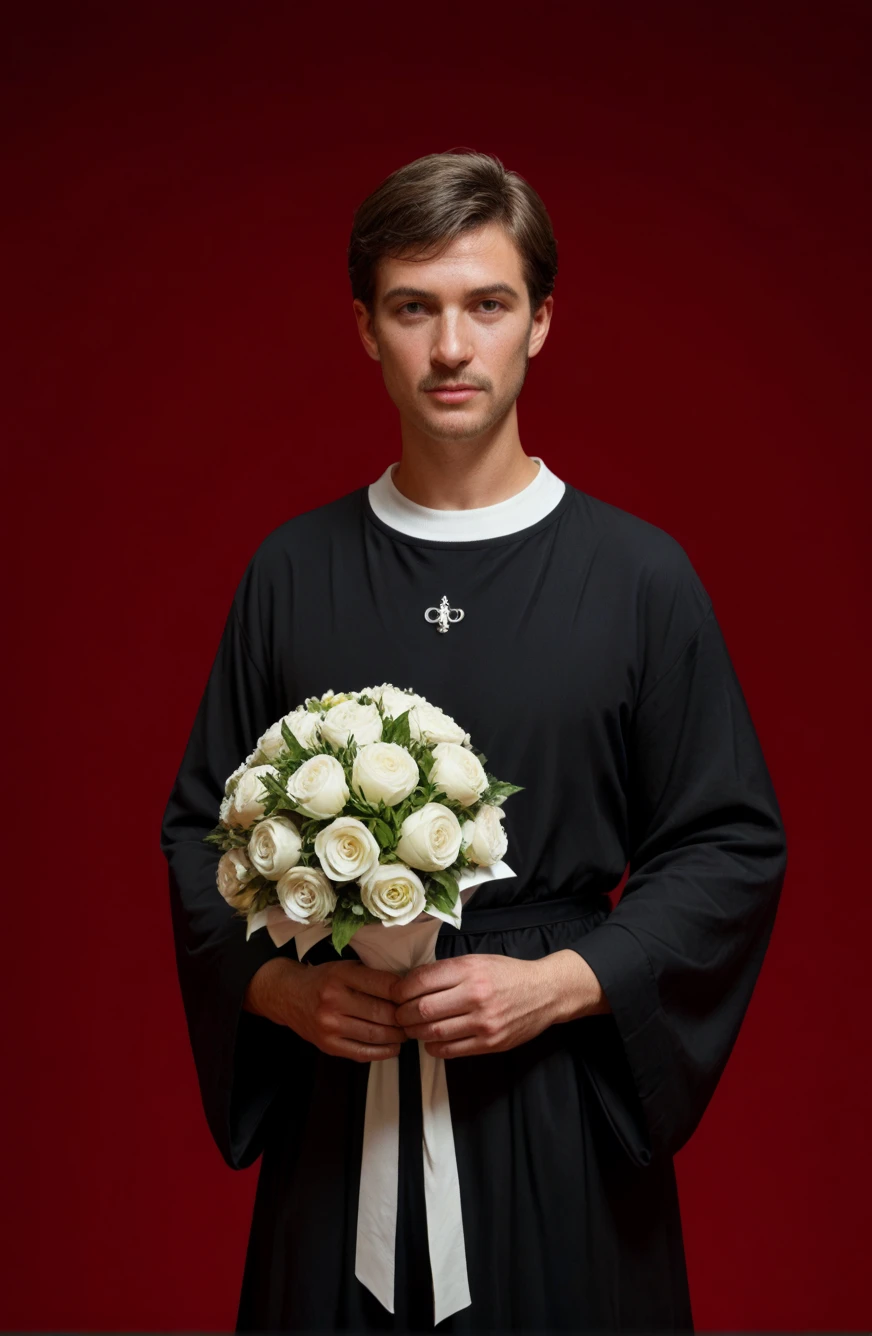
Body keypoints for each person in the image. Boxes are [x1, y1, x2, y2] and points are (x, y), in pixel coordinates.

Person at [160, 149, 787, 1334]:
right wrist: (284, 991)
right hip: (343, 1118)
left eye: (486, 305)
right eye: (414, 307)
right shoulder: (290, 572)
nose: (452, 347)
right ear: (365, 328)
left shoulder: (639, 577)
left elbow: (730, 842)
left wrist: (558, 983)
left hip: (558, 1112)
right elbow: (201, 831)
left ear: (541, 322)